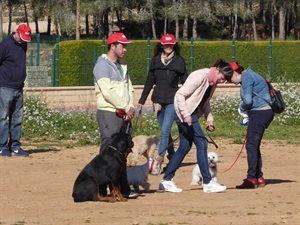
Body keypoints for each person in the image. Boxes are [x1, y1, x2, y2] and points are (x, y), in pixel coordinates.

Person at [158, 59, 232, 193]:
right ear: (217, 70)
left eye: (226, 79)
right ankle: (208, 182)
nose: (224, 81)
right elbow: (180, 95)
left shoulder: (212, 82)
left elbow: (205, 101)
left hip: (190, 114)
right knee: (202, 144)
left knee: (184, 147)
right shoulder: (200, 76)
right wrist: (186, 115)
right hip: (184, 112)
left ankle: (166, 180)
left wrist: (209, 119)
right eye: (223, 77)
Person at [93, 32, 137, 198]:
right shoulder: (102, 66)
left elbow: (129, 88)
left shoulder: (121, 66)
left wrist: (130, 107)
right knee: (108, 152)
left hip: (124, 113)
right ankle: (101, 189)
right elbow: (107, 92)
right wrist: (126, 107)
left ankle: (122, 189)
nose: (125, 49)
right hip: (109, 114)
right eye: (122, 45)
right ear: (113, 46)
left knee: (122, 153)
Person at [137, 34, 188, 175]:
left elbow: (186, 82)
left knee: (165, 131)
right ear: (161, 45)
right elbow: (149, 81)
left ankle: (158, 161)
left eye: (170, 44)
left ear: (174, 45)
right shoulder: (155, 61)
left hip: (172, 100)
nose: (168, 47)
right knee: (166, 132)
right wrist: (141, 100)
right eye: (166, 44)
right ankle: (172, 156)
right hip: (158, 101)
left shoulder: (179, 61)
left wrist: (189, 100)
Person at [228, 61, 274, 189]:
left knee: (251, 145)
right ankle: (259, 177)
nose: (228, 81)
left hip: (260, 112)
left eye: (229, 77)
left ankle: (251, 178)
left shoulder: (247, 77)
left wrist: (241, 109)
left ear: (235, 72)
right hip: (264, 112)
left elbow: (247, 101)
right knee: (254, 144)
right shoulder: (250, 75)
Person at [0, 24, 32, 157]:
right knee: (3, 118)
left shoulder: (23, 44)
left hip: (19, 87)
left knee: (17, 118)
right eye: (22, 38)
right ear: (17, 33)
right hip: (5, 86)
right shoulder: (5, 45)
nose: (23, 41)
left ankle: (15, 147)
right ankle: (1, 147)